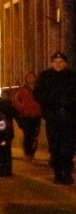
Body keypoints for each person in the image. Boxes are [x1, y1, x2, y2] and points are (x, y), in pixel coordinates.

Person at [34, 52, 76, 184]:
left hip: (69, 117)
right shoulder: (45, 76)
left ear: (65, 63)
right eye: (56, 61)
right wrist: (51, 103)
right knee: (55, 146)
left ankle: (67, 172)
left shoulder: (71, 76)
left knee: (68, 147)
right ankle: (58, 174)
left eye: (61, 62)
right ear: (51, 63)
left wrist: (69, 102)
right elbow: (38, 94)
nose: (58, 64)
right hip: (53, 117)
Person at [12, 71, 42, 160]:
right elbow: (16, 101)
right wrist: (23, 109)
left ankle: (32, 152)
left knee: (35, 135)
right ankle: (28, 152)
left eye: (32, 77)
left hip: (36, 115)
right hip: (26, 116)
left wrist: (40, 110)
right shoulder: (22, 90)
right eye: (29, 77)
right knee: (28, 134)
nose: (31, 79)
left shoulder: (39, 89)